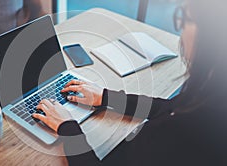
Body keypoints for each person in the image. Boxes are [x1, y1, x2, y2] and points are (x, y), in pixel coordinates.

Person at [33, 0, 227, 165]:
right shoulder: (211, 95)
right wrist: (106, 97)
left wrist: (67, 127)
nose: (182, 30)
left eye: (186, 18)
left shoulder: (180, 132)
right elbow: (171, 106)